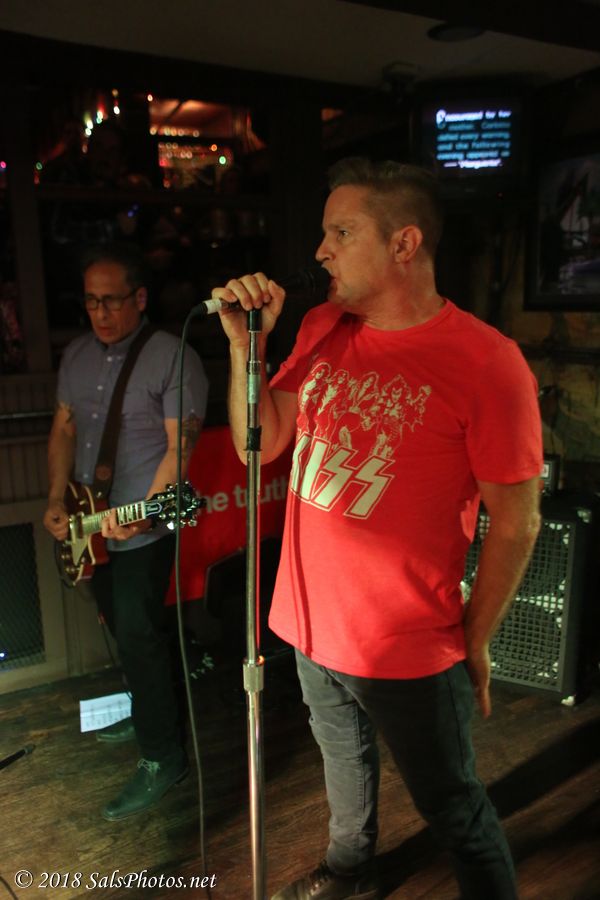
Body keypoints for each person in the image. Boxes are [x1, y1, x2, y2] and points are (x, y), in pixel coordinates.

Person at [214, 157, 543, 900]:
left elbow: (518, 523)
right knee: (343, 769)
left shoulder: (488, 363)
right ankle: (350, 871)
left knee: (453, 808)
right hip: (306, 623)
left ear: (404, 243)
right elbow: (257, 444)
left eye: (342, 232)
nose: (321, 250)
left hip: (405, 646)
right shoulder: (322, 326)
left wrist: (475, 638)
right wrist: (245, 349)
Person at [43, 242, 208, 821]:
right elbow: (63, 430)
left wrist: (147, 509)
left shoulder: (171, 356)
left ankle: (164, 757)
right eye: (91, 301)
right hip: (89, 520)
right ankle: (147, 713)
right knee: (117, 623)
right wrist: (55, 497)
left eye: (111, 300)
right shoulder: (77, 355)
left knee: (138, 632)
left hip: (145, 526)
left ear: (139, 297)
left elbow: (179, 449)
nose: (101, 312)